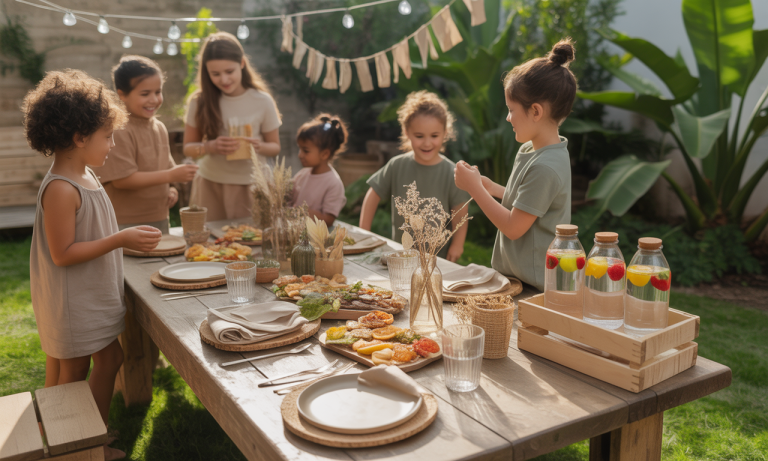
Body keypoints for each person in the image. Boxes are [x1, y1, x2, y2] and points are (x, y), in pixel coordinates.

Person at [24, 70, 162, 461]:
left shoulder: (84, 175)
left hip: (86, 296)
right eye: (107, 137)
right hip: (72, 302)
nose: (112, 144)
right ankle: (85, 446)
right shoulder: (62, 188)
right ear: (79, 138)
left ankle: (55, 438)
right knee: (76, 372)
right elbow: (63, 252)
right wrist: (121, 238)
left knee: (75, 369)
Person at [454, 39, 578, 291]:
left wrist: (474, 189)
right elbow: (528, 203)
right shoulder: (532, 149)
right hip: (517, 280)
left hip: (535, 288)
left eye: (511, 109)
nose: (508, 117)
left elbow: (513, 227)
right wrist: (490, 187)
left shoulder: (546, 166)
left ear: (535, 111)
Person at [359, 90, 470, 262]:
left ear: (445, 133)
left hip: (437, 260)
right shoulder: (397, 165)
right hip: (400, 256)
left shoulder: (451, 171)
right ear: (407, 132)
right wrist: (364, 233)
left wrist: (458, 244)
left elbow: (460, 211)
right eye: (419, 136)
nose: (427, 143)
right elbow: (373, 194)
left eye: (434, 136)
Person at [183, 32, 282, 221]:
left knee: (252, 242)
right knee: (208, 246)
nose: (224, 80)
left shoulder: (262, 100)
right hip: (210, 184)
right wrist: (210, 147)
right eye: (215, 74)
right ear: (206, 71)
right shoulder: (199, 101)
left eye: (229, 72)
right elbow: (189, 147)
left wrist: (258, 147)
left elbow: (275, 146)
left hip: (252, 185)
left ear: (242, 64)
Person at [93, 55, 198, 233]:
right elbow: (122, 180)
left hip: (159, 217)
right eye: (145, 94)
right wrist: (171, 177)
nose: (154, 99)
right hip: (124, 222)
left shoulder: (159, 127)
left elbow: (166, 167)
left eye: (158, 92)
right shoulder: (118, 129)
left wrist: (172, 188)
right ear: (122, 94)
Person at [290, 114, 348, 226]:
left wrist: (304, 212)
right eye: (300, 149)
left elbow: (329, 219)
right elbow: (289, 199)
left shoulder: (333, 183)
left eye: (305, 151)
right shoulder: (302, 174)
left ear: (325, 154)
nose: (300, 155)